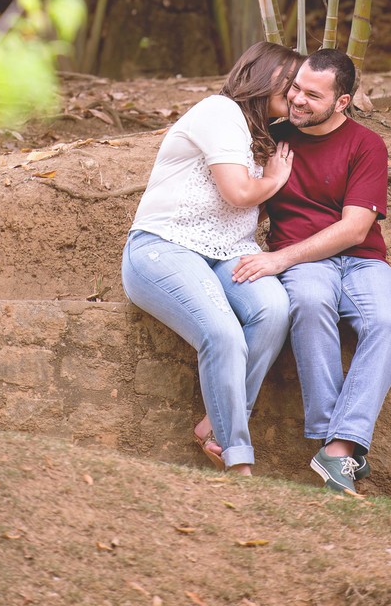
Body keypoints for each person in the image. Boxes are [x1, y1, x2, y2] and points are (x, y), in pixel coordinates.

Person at [233, 47, 391, 495]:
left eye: (312, 95)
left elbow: (355, 228)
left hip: (360, 259)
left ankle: (338, 448)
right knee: (310, 303)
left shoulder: (366, 144)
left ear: (342, 102)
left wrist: (278, 260)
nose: (297, 100)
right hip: (303, 259)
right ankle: (338, 453)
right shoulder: (271, 137)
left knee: (389, 321)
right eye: (295, 88)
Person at [121, 42, 303, 475]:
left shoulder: (263, 134)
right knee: (223, 334)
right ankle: (237, 460)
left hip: (227, 255)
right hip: (163, 247)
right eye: (290, 80)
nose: (296, 92)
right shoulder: (220, 111)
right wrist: (275, 179)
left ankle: (215, 427)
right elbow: (238, 193)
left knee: (274, 309)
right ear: (263, 75)